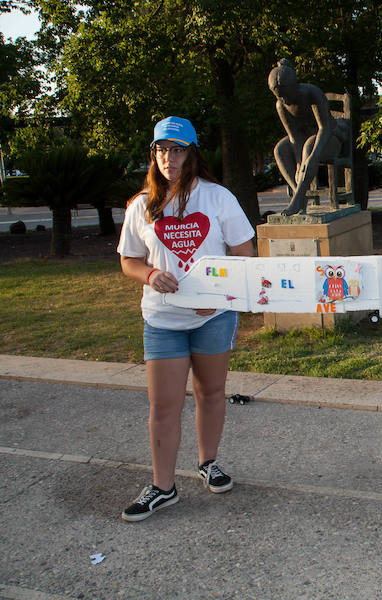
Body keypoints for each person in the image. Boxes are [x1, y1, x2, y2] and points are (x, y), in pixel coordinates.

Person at [117, 116, 256, 522]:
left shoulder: (217, 198)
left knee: (211, 393)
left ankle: (208, 462)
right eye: (161, 149)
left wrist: (216, 300)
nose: (168, 158)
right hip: (162, 320)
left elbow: (245, 255)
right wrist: (150, 275)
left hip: (213, 317)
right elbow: (129, 260)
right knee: (163, 405)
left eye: (176, 149)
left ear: (192, 153)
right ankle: (163, 487)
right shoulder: (142, 205)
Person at [268, 58, 351, 215]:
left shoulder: (312, 93)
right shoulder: (281, 105)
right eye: (279, 96)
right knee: (280, 150)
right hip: (307, 139)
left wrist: (313, 156)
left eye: (285, 95)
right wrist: (300, 163)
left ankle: (298, 198)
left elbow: (324, 128)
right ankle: (299, 195)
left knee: (309, 146)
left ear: (294, 87)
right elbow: (294, 138)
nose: (284, 100)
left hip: (330, 137)